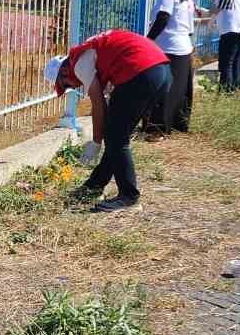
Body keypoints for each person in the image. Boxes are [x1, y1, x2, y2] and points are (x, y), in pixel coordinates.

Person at [45, 29, 172, 212]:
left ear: (65, 71)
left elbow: (98, 103)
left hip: (141, 72)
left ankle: (129, 197)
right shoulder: (89, 50)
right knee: (117, 135)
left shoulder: (78, 64)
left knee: (115, 137)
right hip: (161, 70)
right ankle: (94, 186)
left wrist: (96, 142)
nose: (72, 86)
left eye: (65, 84)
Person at [143, 0, 195, 139]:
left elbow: (163, 17)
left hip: (167, 47)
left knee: (162, 88)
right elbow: (189, 28)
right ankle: (178, 124)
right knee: (180, 89)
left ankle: (157, 129)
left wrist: (148, 40)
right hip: (184, 48)